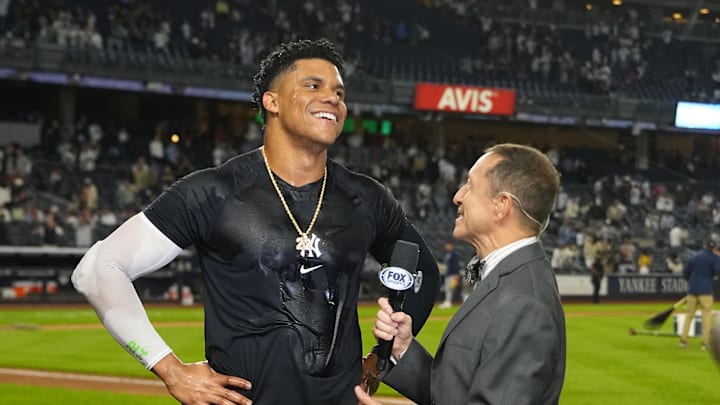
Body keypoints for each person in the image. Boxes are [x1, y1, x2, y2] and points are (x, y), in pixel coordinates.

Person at [71, 38, 438, 405]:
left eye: (339, 93)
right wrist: (169, 368)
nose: (333, 99)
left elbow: (424, 271)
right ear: (271, 101)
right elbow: (97, 268)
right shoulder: (212, 191)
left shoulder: (366, 197)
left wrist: (380, 359)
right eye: (314, 86)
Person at [356, 143, 566, 405]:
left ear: (501, 205)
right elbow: (453, 394)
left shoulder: (525, 302)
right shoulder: (509, 279)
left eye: (469, 185)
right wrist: (403, 347)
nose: (458, 196)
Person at [679, 234, 720, 350]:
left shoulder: (694, 256)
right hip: (706, 291)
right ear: (715, 247)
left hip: (692, 290)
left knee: (689, 315)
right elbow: (718, 271)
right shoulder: (714, 258)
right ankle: (705, 343)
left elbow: (685, 273)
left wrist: (692, 282)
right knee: (706, 316)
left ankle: (683, 340)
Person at [439, 242, 460, 308]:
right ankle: (447, 301)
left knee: (450, 288)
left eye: (448, 246)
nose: (446, 247)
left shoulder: (454, 254)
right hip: (448, 274)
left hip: (453, 274)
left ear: (451, 246)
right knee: (447, 288)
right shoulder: (448, 254)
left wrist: (456, 274)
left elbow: (456, 265)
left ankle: (448, 302)